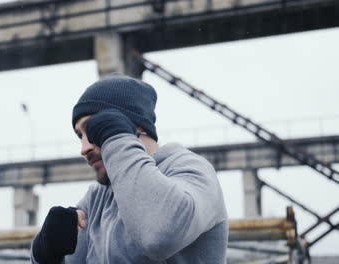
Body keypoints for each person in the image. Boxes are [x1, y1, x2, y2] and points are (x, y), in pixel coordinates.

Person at [31, 73, 228, 263]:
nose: (84, 148)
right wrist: (46, 254)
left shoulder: (191, 170)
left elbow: (159, 236)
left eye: (94, 129)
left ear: (132, 128)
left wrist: (115, 138)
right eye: (79, 135)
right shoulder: (96, 198)